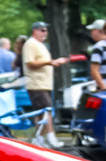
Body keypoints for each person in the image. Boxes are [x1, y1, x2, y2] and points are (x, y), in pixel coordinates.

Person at [22, 21, 70, 149]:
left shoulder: (40, 45)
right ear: (35, 31)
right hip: (37, 84)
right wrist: (49, 62)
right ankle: (51, 137)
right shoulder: (30, 44)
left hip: (44, 84)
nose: (45, 33)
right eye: (42, 30)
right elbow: (30, 63)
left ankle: (38, 138)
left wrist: (53, 62)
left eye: (46, 30)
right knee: (46, 111)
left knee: (40, 113)